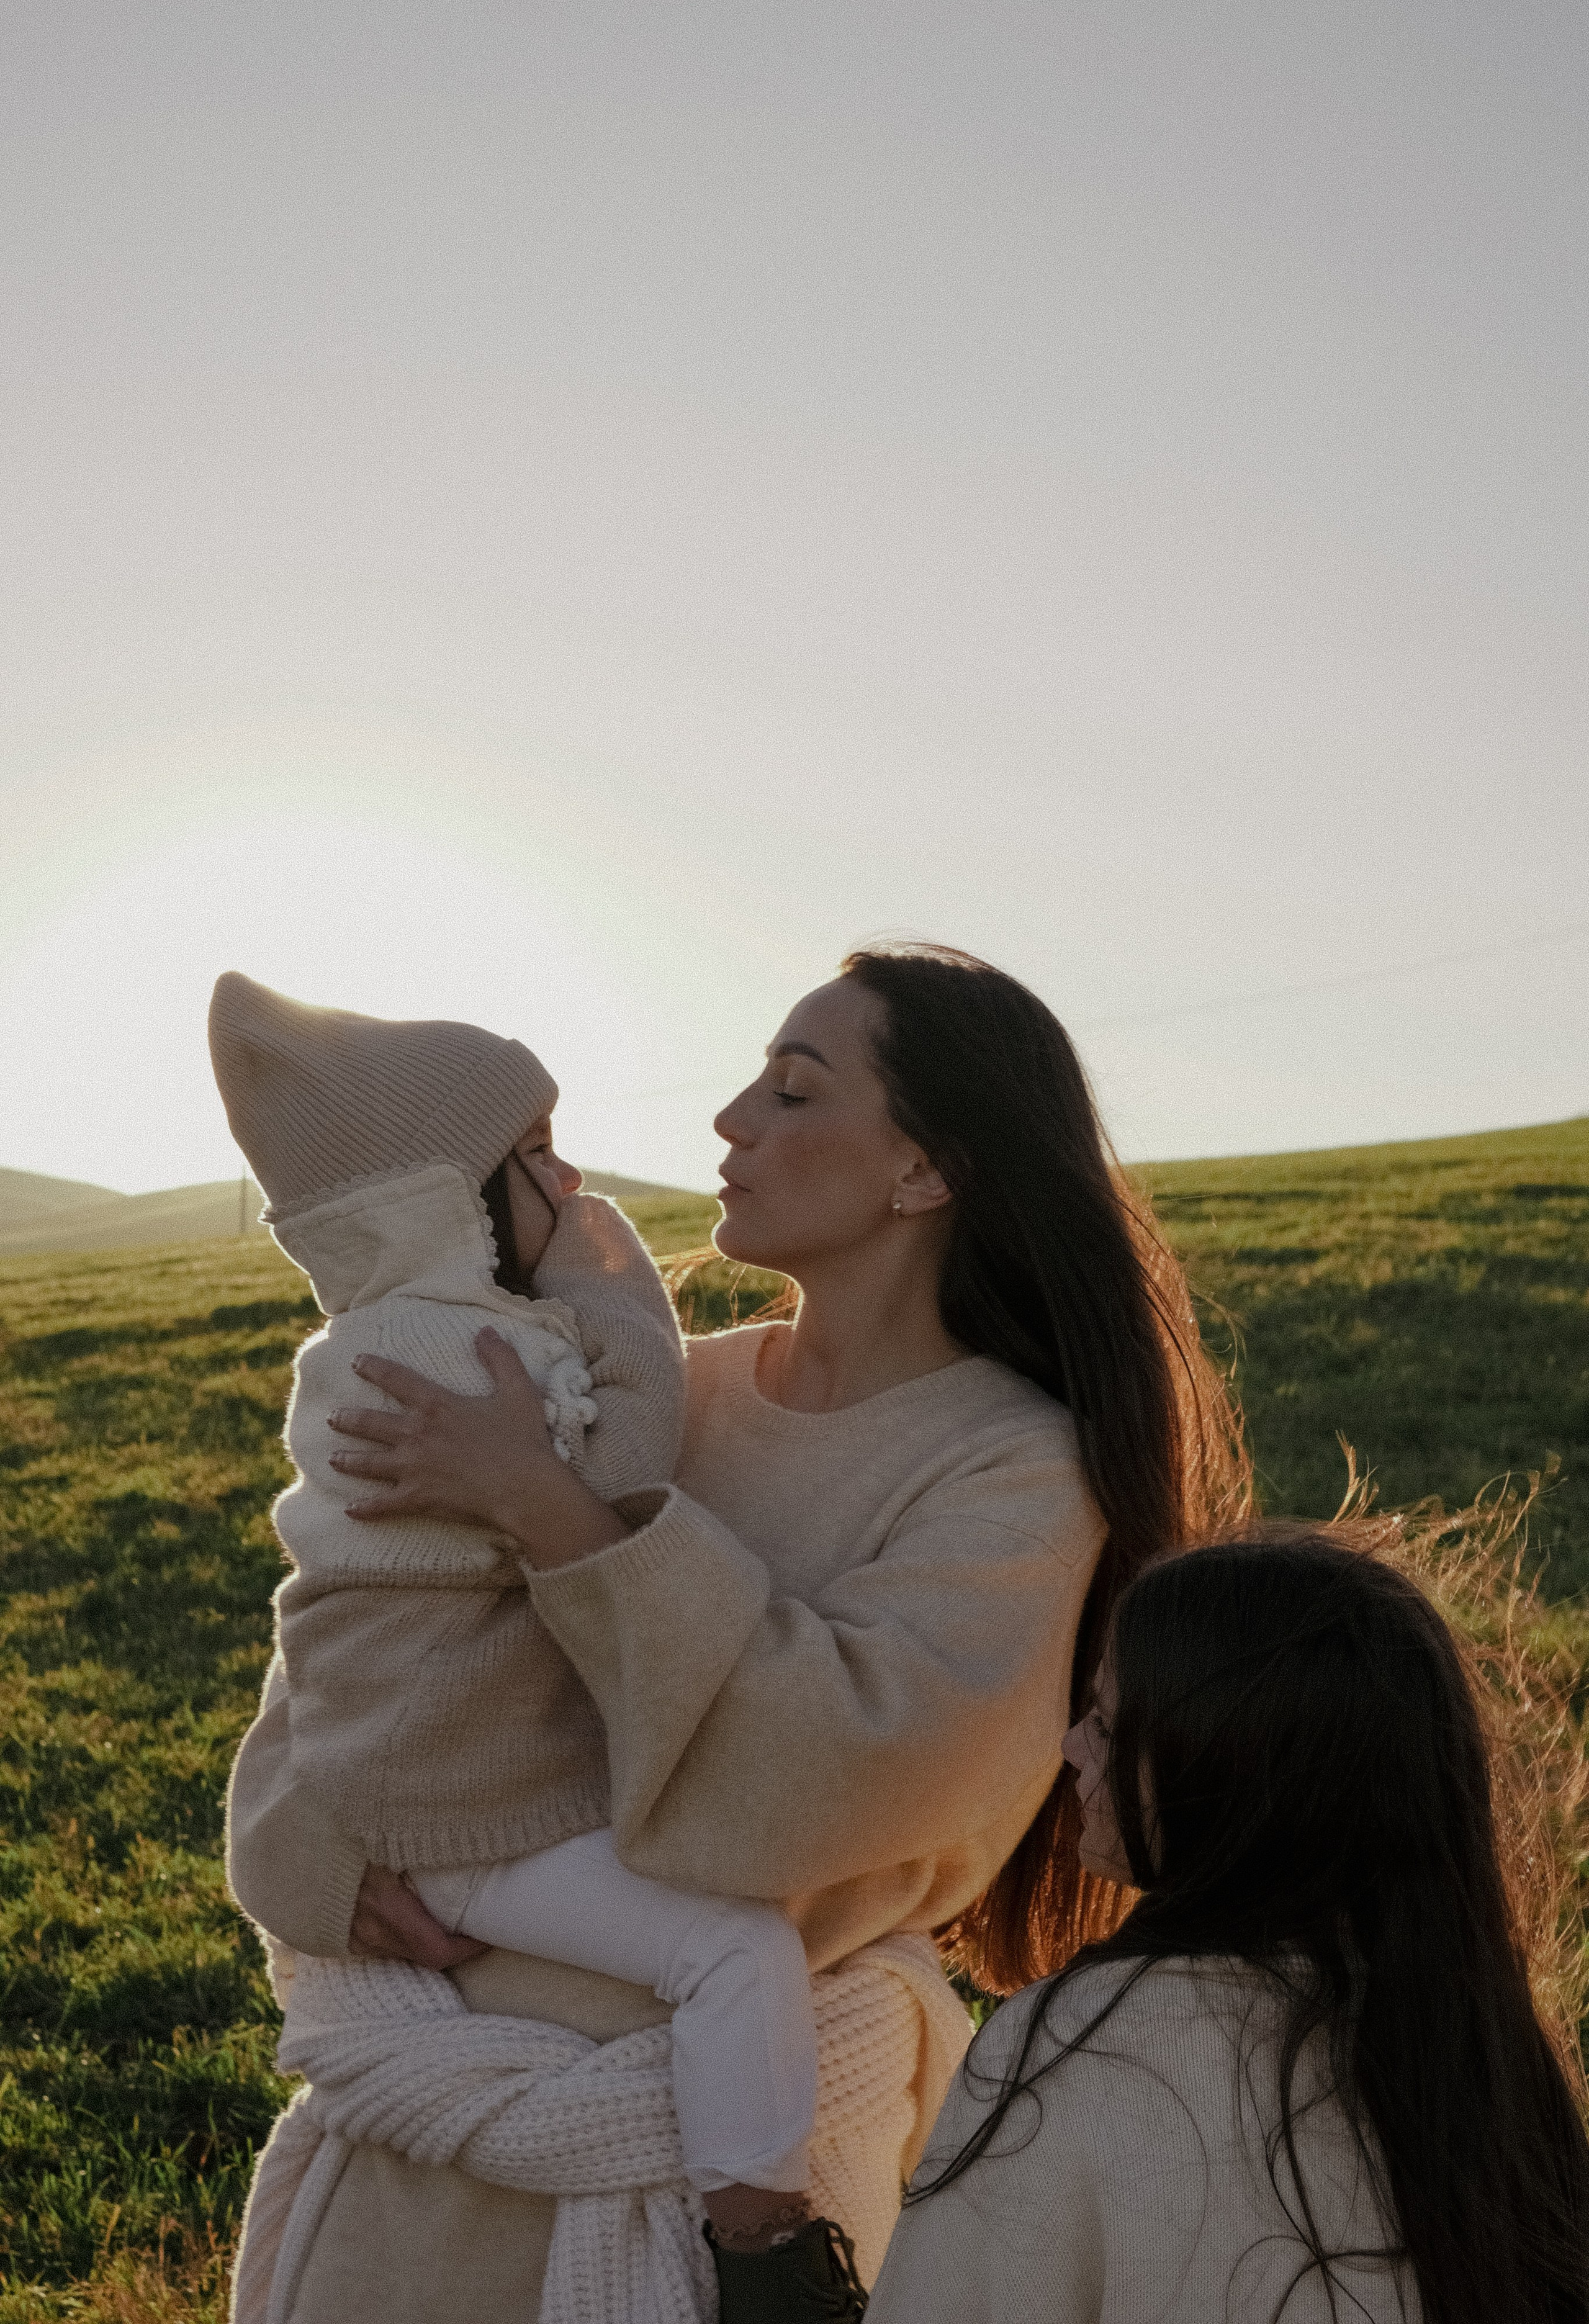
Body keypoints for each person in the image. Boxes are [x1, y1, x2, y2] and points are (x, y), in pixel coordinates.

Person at [222, 942, 1248, 2323]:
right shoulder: (651, 1391)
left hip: (724, 2213)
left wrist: (552, 1512)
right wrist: (309, 1850)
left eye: (793, 1091)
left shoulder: (1012, 1470)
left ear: (924, 1170)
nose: (730, 1119)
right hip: (422, 2164)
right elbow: (361, 1633)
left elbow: (837, 1776)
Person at [207, 971, 854, 2298]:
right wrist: (611, 1278)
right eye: (539, 1155)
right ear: (446, 1202)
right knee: (735, 1952)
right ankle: (771, 2262)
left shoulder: (374, 1342)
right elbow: (621, 1455)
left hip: (430, 1792)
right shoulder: (461, 1356)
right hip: (471, 1817)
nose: (570, 1182)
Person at [867, 1530, 1589, 2324]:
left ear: (1222, 1775)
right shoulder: (1493, 2071)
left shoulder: (1074, 2048)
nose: (1071, 1747)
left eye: (1106, 1726)